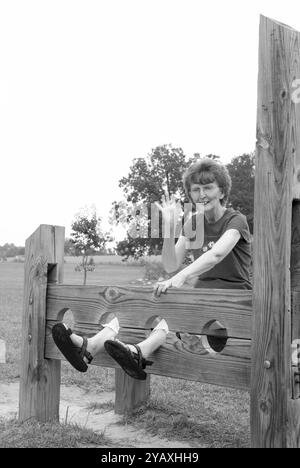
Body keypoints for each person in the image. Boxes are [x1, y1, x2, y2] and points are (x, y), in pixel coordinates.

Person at [52, 158, 252, 380]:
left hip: (234, 302)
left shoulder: (236, 220)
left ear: (222, 192)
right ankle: (90, 347)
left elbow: (216, 254)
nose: (201, 194)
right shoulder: (193, 223)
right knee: (142, 302)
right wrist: (168, 227)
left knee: (175, 310)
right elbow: (171, 264)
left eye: (208, 188)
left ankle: (139, 351)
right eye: (196, 189)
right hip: (200, 296)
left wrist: (180, 278)